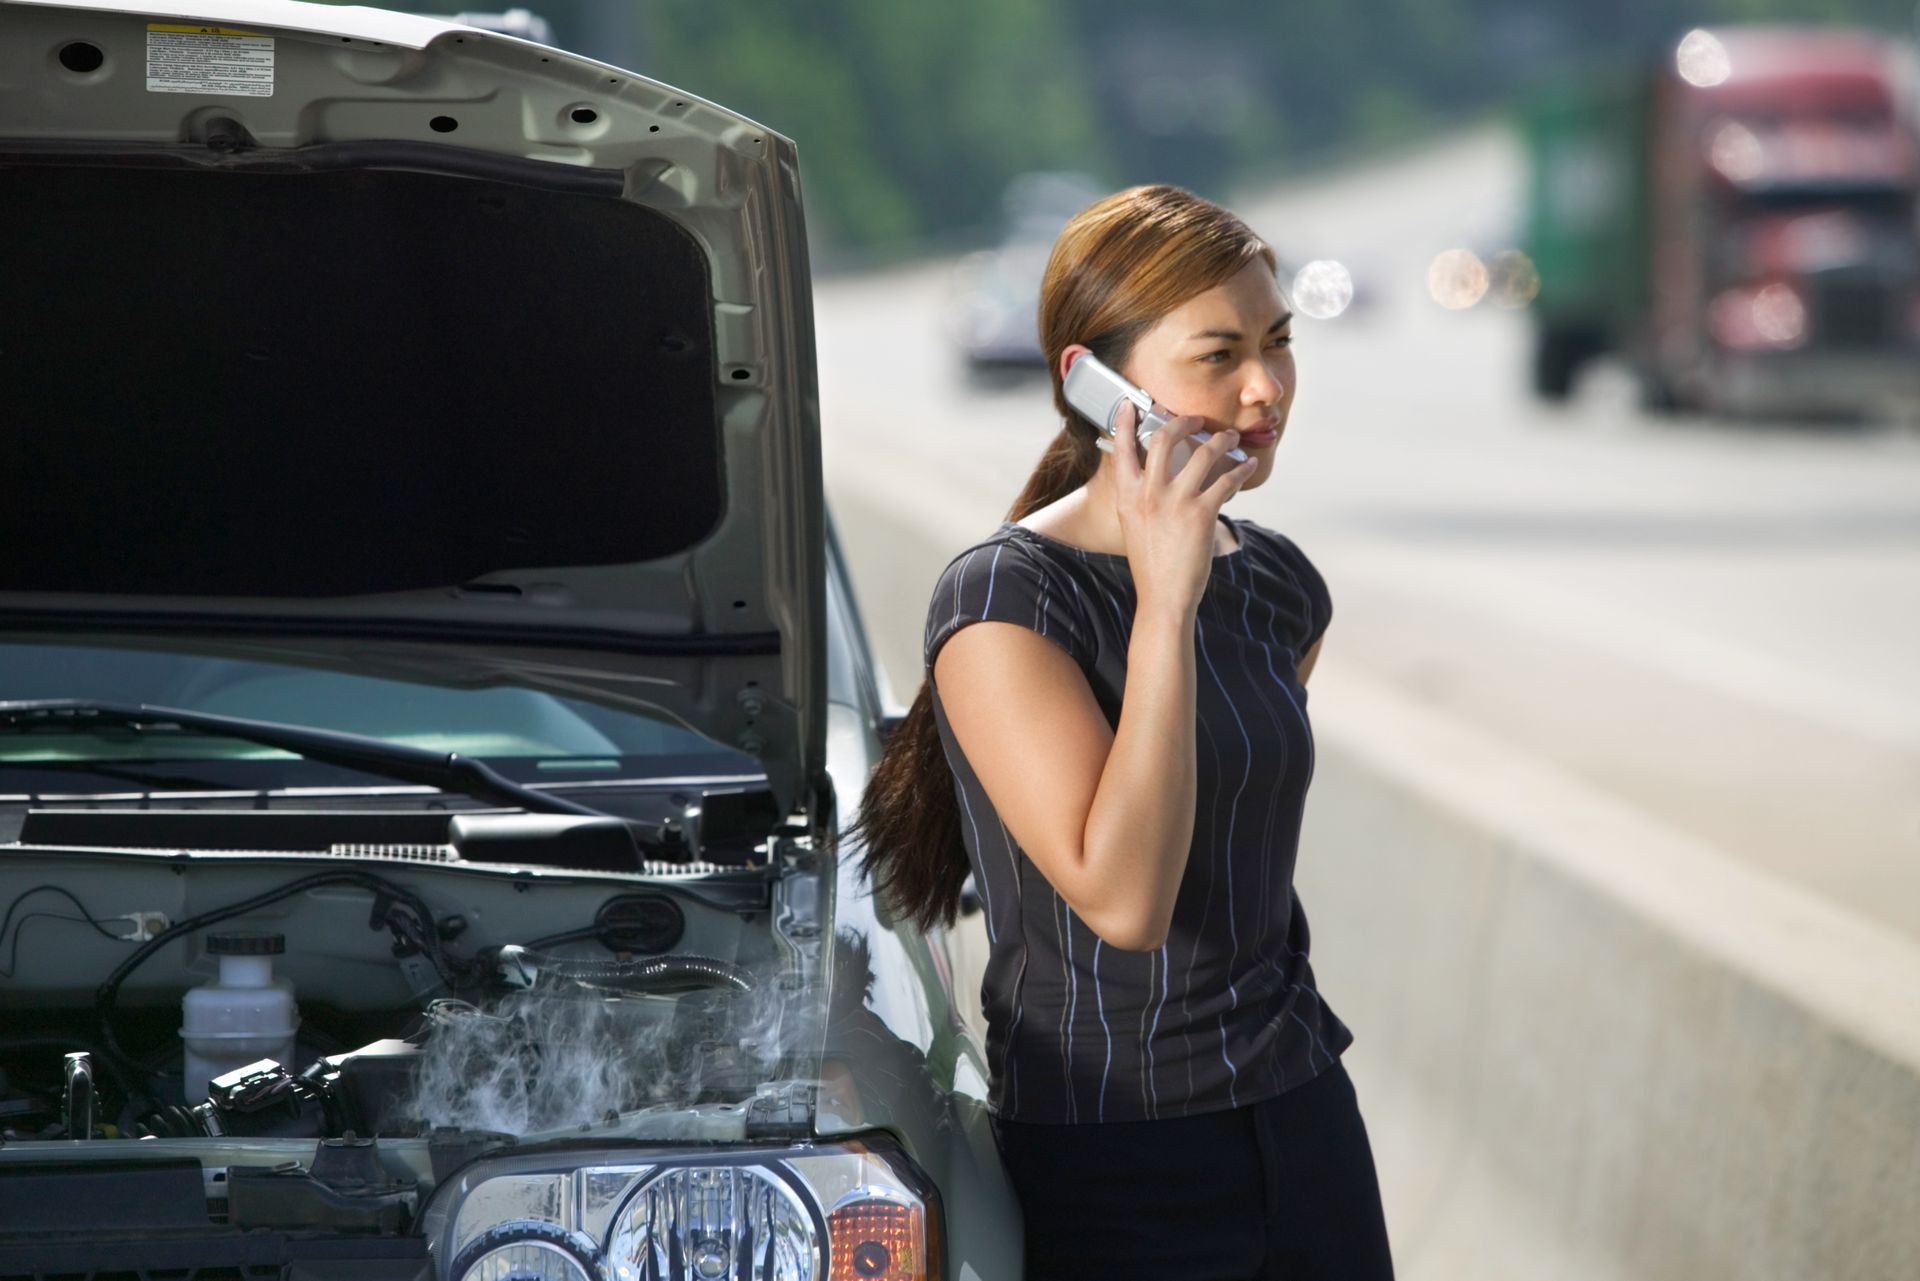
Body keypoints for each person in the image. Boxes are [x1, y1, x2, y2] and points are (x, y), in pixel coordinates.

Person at [852, 185, 1394, 1279]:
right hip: (1118, 1161)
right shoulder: (1004, 603)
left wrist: (1187, 584)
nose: (1264, 386)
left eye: (1278, 342)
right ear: (1095, 388)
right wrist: (1165, 600)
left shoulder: (1282, 586)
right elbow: (1127, 900)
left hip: (1307, 1123)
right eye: (1219, 354)